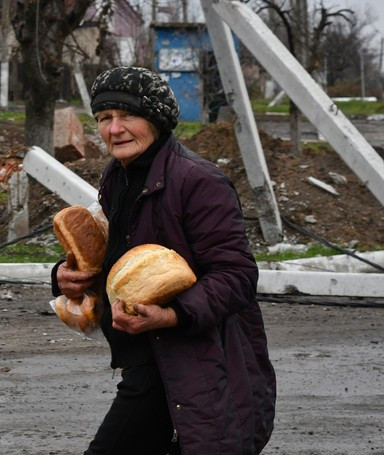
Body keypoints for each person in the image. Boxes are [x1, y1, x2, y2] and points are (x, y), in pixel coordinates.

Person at [51, 67, 276, 454]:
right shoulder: (118, 175)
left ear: (155, 119)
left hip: (192, 364)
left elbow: (237, 276)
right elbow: (123, 256)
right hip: (149, 361)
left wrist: (172, 315)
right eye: (105, 118)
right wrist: (64, 275)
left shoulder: (198, 181)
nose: (114, 129)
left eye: (128, 116)